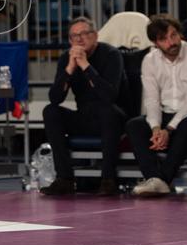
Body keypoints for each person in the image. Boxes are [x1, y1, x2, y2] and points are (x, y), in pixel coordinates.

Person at [41, 17, 126, 197]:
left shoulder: (111, 55)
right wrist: (70, 68)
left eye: (84, 34)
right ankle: (64, 179)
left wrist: (85, 66)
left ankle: (108, 180)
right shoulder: (67, 58)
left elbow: (109, 96)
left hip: (112, 118)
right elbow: (55, 98)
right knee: (50, 111)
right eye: (74, 36)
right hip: (84, 117)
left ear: (95, 36)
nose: (79, 39)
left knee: (107, 111)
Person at [127, 15, 187, 197]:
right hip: (164, 113)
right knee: (135, 125)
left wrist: (169, 129)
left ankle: (160, 180)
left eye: (173, 35)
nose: (171, 42)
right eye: (163, 39)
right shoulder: (150, 60)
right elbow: (151, 99)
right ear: (155, 43)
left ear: (180, 34)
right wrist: (156, 128)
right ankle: (156, 179)